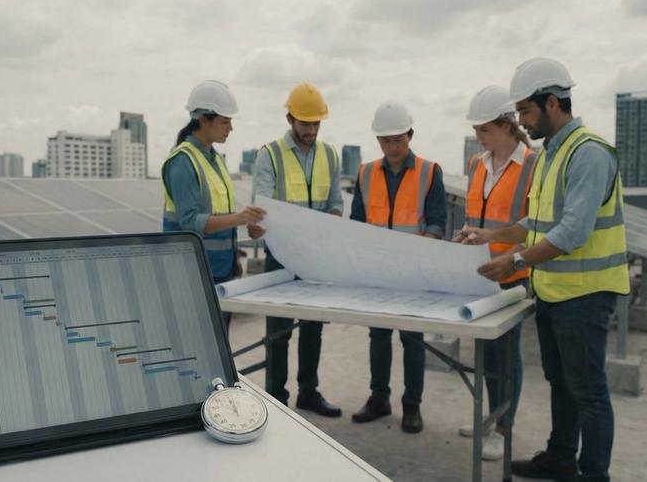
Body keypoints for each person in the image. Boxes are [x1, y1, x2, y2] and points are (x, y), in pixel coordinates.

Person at [462, 58, 628, 482]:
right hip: (554, 292)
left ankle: (594, 474)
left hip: (586, 295)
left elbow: (573, 231)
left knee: (588, 390)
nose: (520, 120)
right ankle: (560, 457)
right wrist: (489, 235)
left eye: (525, 111)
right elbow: (535, 224)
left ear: (552, 103)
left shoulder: (588, 153)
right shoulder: (552, 155)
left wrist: (514, 260)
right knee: (561, 382)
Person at [349, 101, 446, 433]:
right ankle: (379, 398)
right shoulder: (364, 173)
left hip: (413, 271)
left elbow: (437, 222)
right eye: (386, 140)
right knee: (378, 335)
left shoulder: (430, 172)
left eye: (398, 139)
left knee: (412, 338)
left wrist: (420, 248)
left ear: (410, 135)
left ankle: (412, 404)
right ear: (378, 141)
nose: (392, 146)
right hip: (377, 270)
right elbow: (357, 224)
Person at [248, 82, 343, 416]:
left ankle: (308, 391)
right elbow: (261, 204)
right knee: (279, 329)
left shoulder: (330, 155)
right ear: (290, 118)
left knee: (312, 326)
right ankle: (275, 396)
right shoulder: (270, 154)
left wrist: (330, 221)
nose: (311, 131)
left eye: (316, 124)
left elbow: (335, 203)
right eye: (305, 124)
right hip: (281, 254)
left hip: (316, 257)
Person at [454, 85, 537, 461]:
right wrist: (468, 233)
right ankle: (490, 417)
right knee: (486, 352)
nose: (478, 137)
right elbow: (477, 217)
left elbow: (535, 226)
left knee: (507, 356)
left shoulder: (533, 165)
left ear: (507, 125)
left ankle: (504, 429)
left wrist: (514, 258)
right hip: (480, 272)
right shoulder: (477, 164)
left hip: (513, 274)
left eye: (484, 129)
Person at [162, 80, 265, 332]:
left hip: (220, 272)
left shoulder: (213, 158)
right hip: (193, 277)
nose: (230, 128)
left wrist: (238, 246)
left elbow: (219, 215)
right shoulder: (183, 162)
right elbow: (191, 222)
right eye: (225, 121)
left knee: (218, 352)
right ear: (203, 120)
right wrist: (239, 219)